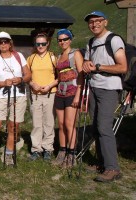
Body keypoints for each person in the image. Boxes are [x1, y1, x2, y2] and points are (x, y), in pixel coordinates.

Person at [82, 11, 127, 182]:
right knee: (95, 126)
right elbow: (88, 63)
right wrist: (87, 65)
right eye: (91, 22)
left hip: (109, 88)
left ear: (105, 22)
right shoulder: (91, 42)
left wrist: (99, 67)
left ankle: (112, 168)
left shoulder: (113, 40)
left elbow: (122, 67)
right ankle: (101, 163)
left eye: (98, 21)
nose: (94, 24)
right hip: (94, 87)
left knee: (104, 127)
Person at [0, 31, 31, 168]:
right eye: (0, 42)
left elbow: (28, 75)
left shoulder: (19, 56)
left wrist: (20, 79)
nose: (3, 44)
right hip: (1, 96)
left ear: (10, 43)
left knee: (13, 126)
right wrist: (3, 83)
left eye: (5, 41)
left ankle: (9, 154)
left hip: (19, 95)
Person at [51, 29, 84, 168]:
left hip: (72, 92)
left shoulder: (75, 53)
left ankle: (72, 154)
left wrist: (78, 95)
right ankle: (62, 151)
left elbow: (81, 76)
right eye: (60, 40)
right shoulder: (59, 56)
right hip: (60, 93)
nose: (62, 42)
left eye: (65, 39)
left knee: (70, 124)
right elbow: (58, 77)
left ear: (70, 40)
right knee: (61, 124)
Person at [27, 33, 58, 161]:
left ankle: (48, 149)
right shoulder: (31, 58)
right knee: (36, 123)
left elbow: (59, 77)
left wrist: (50, 86)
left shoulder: (53, 57)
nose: (40, 46)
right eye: (38, 44)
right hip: (35, 95)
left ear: (47, 44)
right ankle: (36, 149)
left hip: (51, 93)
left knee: (49, 122)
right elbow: (27, 76)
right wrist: (32, 84)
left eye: (43, 44)